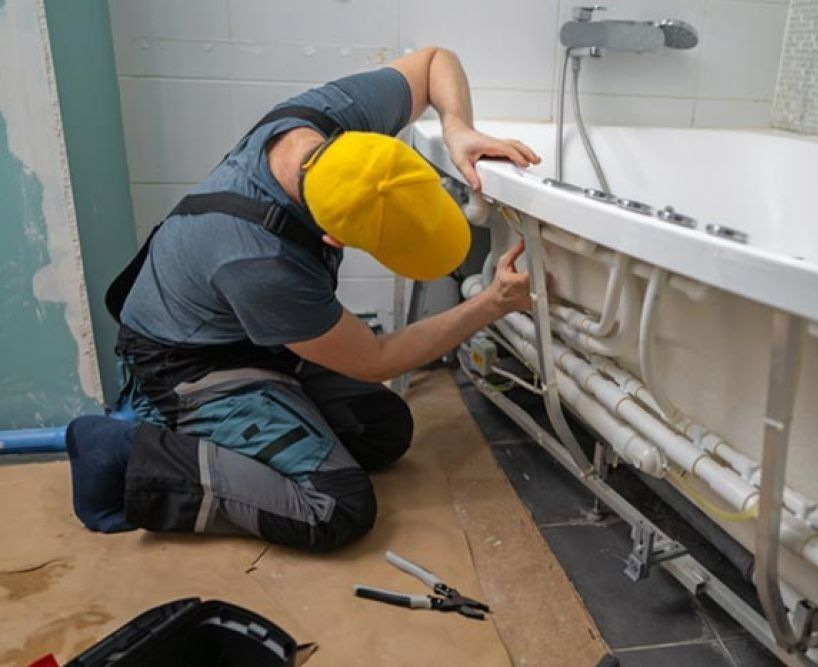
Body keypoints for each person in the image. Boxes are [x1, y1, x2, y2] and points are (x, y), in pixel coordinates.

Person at [66, 47, 540, 552]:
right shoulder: (263, 266)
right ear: (333, 238)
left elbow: (432, 62)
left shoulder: (329, 119)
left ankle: (257, 418)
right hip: (186, 366)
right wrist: (490, 304)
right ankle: (128, 454)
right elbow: (378, 359)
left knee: (385, 430)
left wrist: (458, 129)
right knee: (336, 507)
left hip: (246, 333)